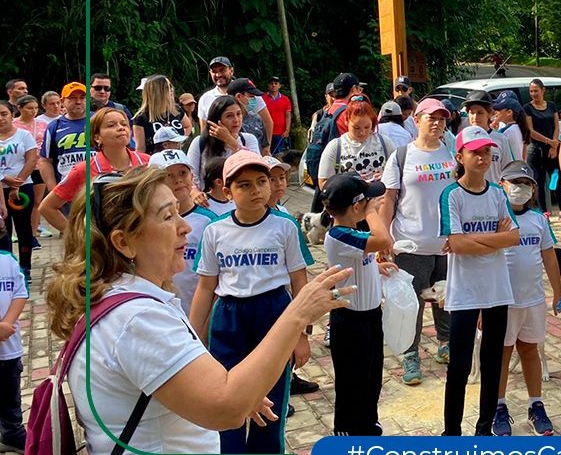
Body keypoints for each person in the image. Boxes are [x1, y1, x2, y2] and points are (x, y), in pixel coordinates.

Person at [46, 166, 354, 454]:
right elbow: (227, 408)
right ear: (123, 242)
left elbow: (188, 386)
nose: (184, 228)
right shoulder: (136, 319)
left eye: (179, 213)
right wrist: (298, 314)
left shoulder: (127, 299)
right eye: (168, 217)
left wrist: (240, 389)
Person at [189, 151, 314, 453]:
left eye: (262, 182)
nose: (255, 190)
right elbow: (206, 287)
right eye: (244, 185)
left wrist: (300, 335)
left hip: (274, 314)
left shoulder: (285, 227)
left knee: (271, 402)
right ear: (226, 190)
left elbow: (299, 281)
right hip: (229, 316)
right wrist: (192, 338)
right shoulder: (215, 230)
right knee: (226, 399)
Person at [439, 125, 520, 436]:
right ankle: (452, 432)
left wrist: (474, 237)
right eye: (475, 152)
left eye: (486, 151)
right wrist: (495, 237)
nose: (483, 157)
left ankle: (484, 429)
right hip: (464, 291)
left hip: (497, 289)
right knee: (458, 367)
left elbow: (513, 237)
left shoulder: (498, 193)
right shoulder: (452, 195)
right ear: (460, 155)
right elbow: (456, 244)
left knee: (492, 362)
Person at [379, 98, 456, 385]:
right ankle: (411, 356)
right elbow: (388, 199)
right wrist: (384, 237)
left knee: (445, 299)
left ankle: (445, 345)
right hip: (411, 244)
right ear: (416, 120)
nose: (437, 123)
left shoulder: (451, 154)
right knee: (412, 304)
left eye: (442, 118)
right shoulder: (402, 156)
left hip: (446, 244)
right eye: (430, 118)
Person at [321, 172, 395, 436]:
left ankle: (367, 426)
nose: (373, 203)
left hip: (370, 316)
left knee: (371, 378)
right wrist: (374, 212)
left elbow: (361, 260)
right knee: (352, 383)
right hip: (350, 322)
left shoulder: (351, 232)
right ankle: (347, 433)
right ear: (356, 207)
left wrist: (376, 267)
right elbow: (384, 240)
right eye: (367, 200)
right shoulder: (339, 235)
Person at [491, 161, 560, 437]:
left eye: (525, 184)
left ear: (533, 188)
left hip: (532, 300)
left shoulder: (538, 220)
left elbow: (549, 257)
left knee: (530, 351)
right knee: (502, 355)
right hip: (502, 302)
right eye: (513, 183)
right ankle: (497, 407)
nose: (518, 189)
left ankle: (535, 405)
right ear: (501, 185)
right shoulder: (495, 220)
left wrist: (558, 291)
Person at [40, 107, 151, 239]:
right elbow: (47, 208)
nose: (121, 128)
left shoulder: (148, 163)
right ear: (97, 137)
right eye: (111, 125)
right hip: (105, 247)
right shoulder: (83, 170)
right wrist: (78, 235)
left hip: (144, 241)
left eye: (124, 124)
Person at [147, 149, 213, 316]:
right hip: (160, 310)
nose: (178, 180)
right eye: (168, 175)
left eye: (183, 173)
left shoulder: (209, 222)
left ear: (192, 176)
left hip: (198, 310)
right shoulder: (147, 222)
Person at [187, 96, 260, 190]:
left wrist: (232, 142)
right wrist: (195, 192)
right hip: (208, 200)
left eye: (239, 114)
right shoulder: (200, 142)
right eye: (229, 116)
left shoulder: (249, 139)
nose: (236, 120)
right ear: (217, 120)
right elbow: (191, 174)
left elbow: (255, 167)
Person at [0, 102, 38, 280]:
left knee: (24, 229)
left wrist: (17, 183)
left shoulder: (24, 136)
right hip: (1, 189)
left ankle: (25, 268)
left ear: (11, 114)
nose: (1, 119)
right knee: (3, 231)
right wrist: (4, 179)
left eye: (4, 114)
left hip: (23, 188)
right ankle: (8, 269)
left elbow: (31, 160)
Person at [318, 99, 394, 186]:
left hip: (380, 197)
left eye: (367, 127)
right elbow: (323, 183)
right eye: (356, 128)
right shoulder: (335, 147)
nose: (362, 132)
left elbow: (398, 171)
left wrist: (385, 176)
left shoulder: (384, 142)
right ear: (346, 122)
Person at [197, 57, 274, 140]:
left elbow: (267, 122)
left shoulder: (248, 91)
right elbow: (204, 129)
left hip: (250, 146)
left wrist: (266, 147)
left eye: (222, 70)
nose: (218, 75)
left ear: (231, 70)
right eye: (214, 71)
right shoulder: (205, 98)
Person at [0, 243, 26, 452]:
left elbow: (20, 292)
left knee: (10, 394)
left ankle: (12, 434)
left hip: (8, 349)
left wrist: (7, 323)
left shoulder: (8, 260)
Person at [39, 82, 88, 191]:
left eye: (82, 97)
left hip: (97, 186)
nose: (78, 101)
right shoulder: (54, 126)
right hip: (67, 189)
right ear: (63, 102)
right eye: (72, 98)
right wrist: (54, 190)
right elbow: (45, 160)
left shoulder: (100, 120)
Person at [13, 95, 50, 238]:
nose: (33, 111)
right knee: (19, 200)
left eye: (35, 108)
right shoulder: (13, 124)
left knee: (37, 201)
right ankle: (17, 232)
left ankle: (33, 234)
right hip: (20, 167)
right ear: (19, 108)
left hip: (39, 166)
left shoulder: (42, 124)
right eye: (29, 108)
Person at [523, 79, 561, 216]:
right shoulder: (527, 108)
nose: (533, 94)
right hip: (536, 150)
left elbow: (557, 126)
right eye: (531, 91)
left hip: (552, 148)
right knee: (538, 181)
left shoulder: (551, 106)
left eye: (536, 91)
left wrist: (554, 145)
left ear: (543, 90)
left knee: (557, 178)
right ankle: (543, 212)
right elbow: (530, 131)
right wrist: (548, 141)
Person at [462, 90, 514, 182]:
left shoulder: (500, 139)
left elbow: (508, 170)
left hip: (495, 192)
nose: (475, 117)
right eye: (471, 112)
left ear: (490, 114)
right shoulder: (462, 138)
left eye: (480, 112)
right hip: (469, 194)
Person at [132, 75, 191, 155]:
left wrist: (180, 141)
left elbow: (188, 126)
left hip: (178, 159)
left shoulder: (176, 110)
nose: (171, 90)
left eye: (171, 86)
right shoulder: (141, 117)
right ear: (157, 92)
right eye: (167, 87)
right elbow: (140, 149)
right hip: (155, 162)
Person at [227, 78, 270, 156]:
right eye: (251, 96)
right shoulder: (223, 122)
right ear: (239, 96)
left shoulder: (256, 119)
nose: (254, 100)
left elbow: (265, 149)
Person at [493, 94, 529, 164]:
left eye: (499, 110)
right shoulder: (518, 127)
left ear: (509, 112)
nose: (496, 112)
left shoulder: (507, 132)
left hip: (510, 169)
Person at [264, 77, 292, 155]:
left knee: (278, 155)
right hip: (266, 132)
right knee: (265, 152)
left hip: (280, 132)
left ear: (279, 86)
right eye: (271, 83)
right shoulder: (263, 98)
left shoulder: (285, 99)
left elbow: (288, 116)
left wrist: (287, 130)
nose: (273, 85)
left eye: (276, 83)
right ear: (268, 85)